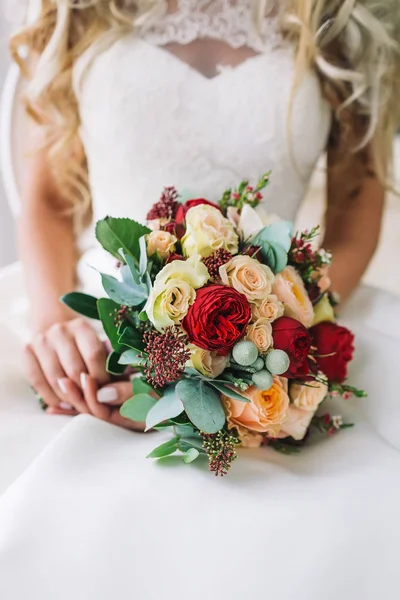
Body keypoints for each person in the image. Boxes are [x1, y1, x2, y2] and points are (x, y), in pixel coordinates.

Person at [0, 2, 400, 598]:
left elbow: (353, 209)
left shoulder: (345, 16)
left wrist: (272, 332)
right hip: (97, 323)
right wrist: (57, 324)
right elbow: (48, 201)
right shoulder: (77, 10)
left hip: (273, 344)